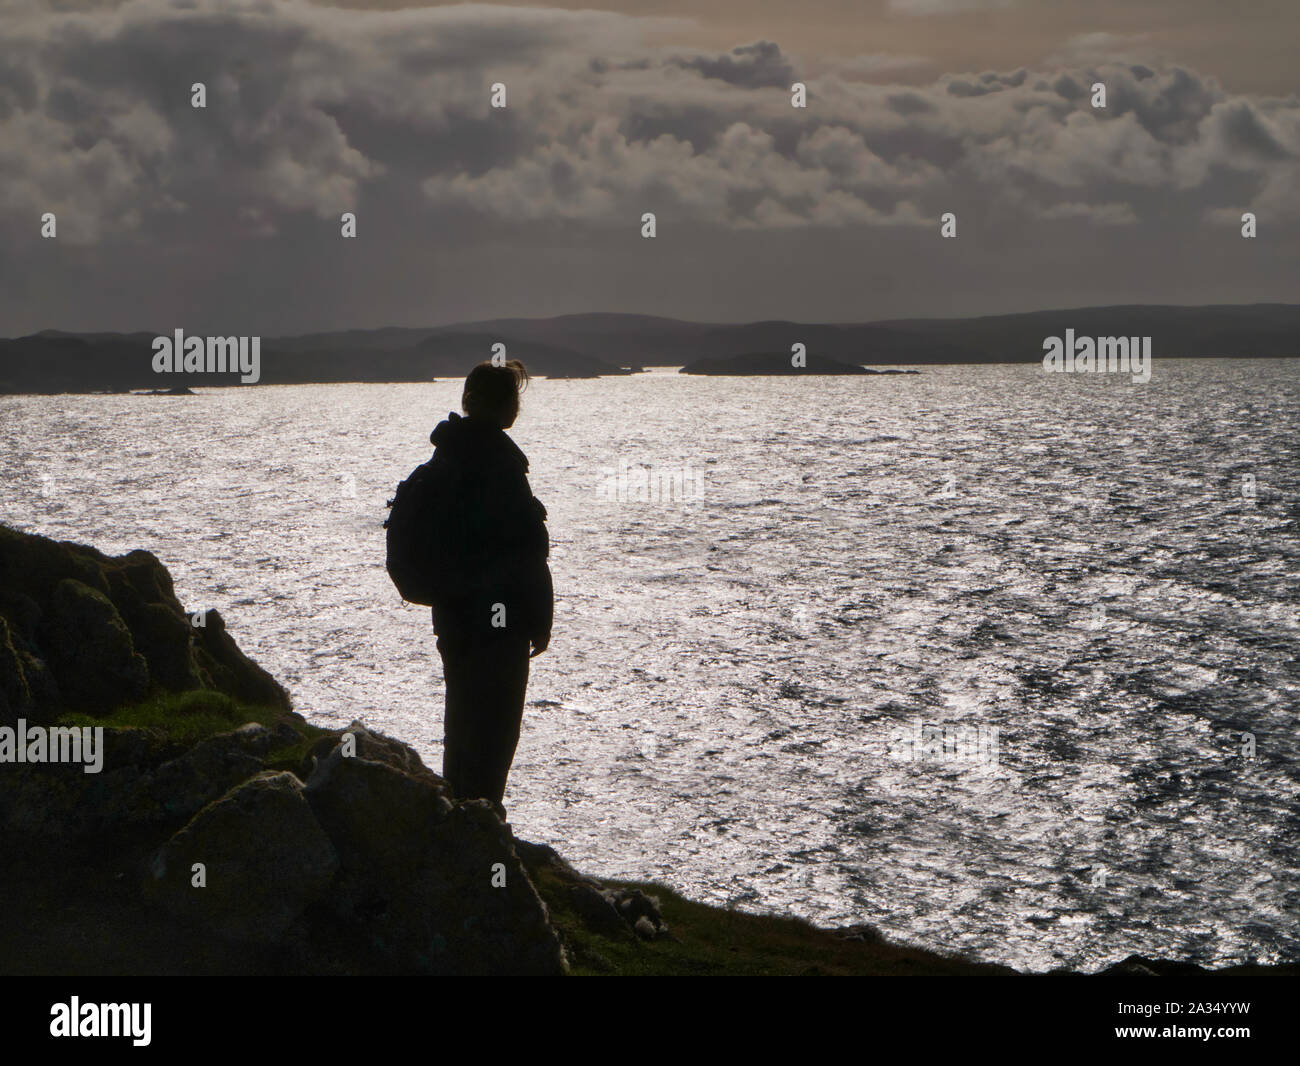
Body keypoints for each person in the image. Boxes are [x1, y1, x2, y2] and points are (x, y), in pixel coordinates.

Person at [427, 360, 552, 815]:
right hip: (499, 625)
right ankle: (479, 827)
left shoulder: (447, 456)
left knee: (462, 723)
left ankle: (456, 816)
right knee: (496, 731)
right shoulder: (499, 464)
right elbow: (524, 554)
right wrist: (538, 620)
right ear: (505, 405)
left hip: (456, 617)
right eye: (514, 397)